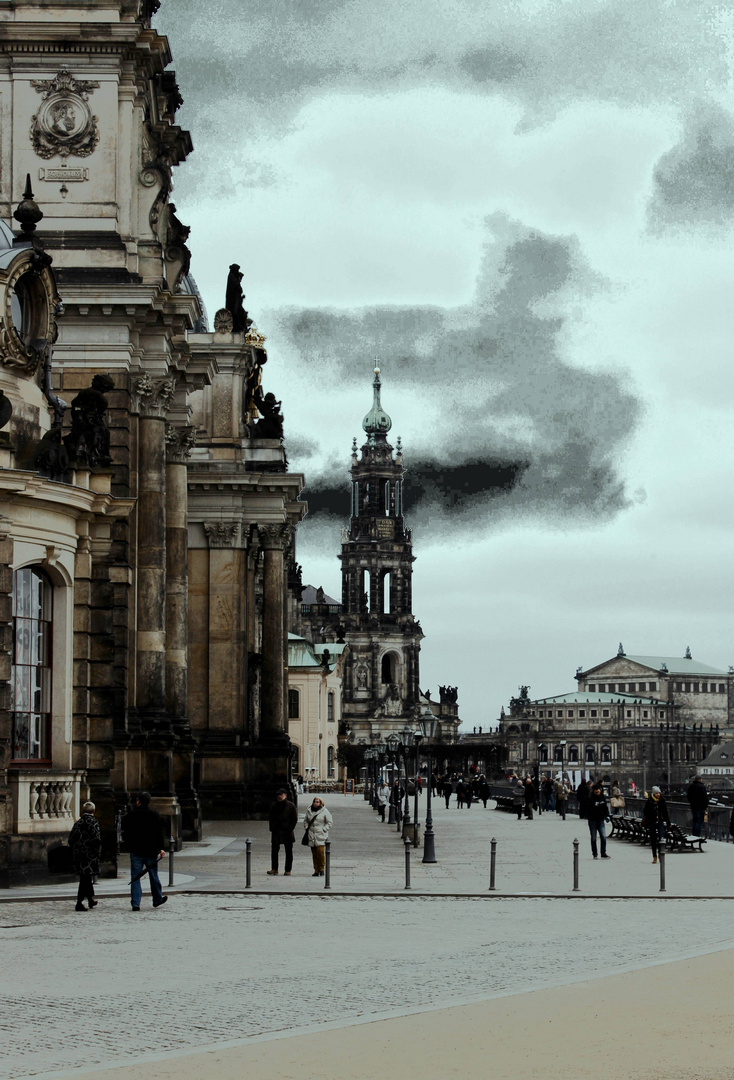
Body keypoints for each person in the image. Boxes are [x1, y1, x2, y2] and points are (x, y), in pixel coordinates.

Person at [121, 792, 167, 911]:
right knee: (154, 876)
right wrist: (161, 848)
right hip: (151, 851)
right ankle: (157, 899)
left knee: (135, 877)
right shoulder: (154, 815)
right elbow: (159, 833)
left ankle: (136, 903)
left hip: (136, 850)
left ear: (138, 801)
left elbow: (125, 832)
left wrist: (129, 846)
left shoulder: (131, 815)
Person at [68, 800, 102, 912]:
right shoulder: (93, 822)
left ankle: (90, 899)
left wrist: (76, 850)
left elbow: (71, 839)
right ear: (93, 811)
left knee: (86, 878)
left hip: (79, 856)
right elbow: (96, 839)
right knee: (85, 879)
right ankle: (79, 902)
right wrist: (97, 854)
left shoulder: (78, 822)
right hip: (89, 856)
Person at [268, 787, 298, 875]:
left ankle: (288, 870)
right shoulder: (275, 805)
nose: (279, 796)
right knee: (274, 851)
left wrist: (290, 828)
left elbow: (294, 819)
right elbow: (271, 818)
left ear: (285, 795)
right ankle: (274, 868)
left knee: (288, 851)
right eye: (278, 795)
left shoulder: (291, 806)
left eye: (281, 795)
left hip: (287, 832)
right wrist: (272, 827)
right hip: (276, 831)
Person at [303, 796, 333, 876]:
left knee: (320, 853)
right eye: (315, 802)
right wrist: (306, 827)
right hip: (311, 834)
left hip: (320, 834)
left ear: (321, 803)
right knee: (314, 853)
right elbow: (306, 820)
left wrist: (324, 829)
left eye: (317, 802)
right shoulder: (309, 811)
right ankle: (316, 870)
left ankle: (322, 868)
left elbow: (329, 822)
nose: (315, 803)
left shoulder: (324, 811)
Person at [642, 786, 670, 864]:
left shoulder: (662, 801)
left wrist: (668, 822)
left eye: (659, 793)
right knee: (653, 840)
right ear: (653, 794)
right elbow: (645, 812)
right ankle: (654, 856)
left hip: (660, 822)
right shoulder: (649, 801)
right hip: (652, 822)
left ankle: (660, 854)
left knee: (661, 838)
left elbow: (665, 812)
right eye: (656, 793)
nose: (658, 794)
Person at [587, 782, 611, 859]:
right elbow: (588, 807)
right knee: (593, 838)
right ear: (593, 791)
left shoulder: (602, 797)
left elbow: (605, 808)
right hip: (592, 820)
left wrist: (607, 815)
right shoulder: (590, 798)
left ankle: (603, 852)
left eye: (598, 792)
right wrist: (595, 804)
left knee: (603, 836)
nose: (597, 793)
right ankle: (595, 853)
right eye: (596, 792)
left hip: (600, 819)